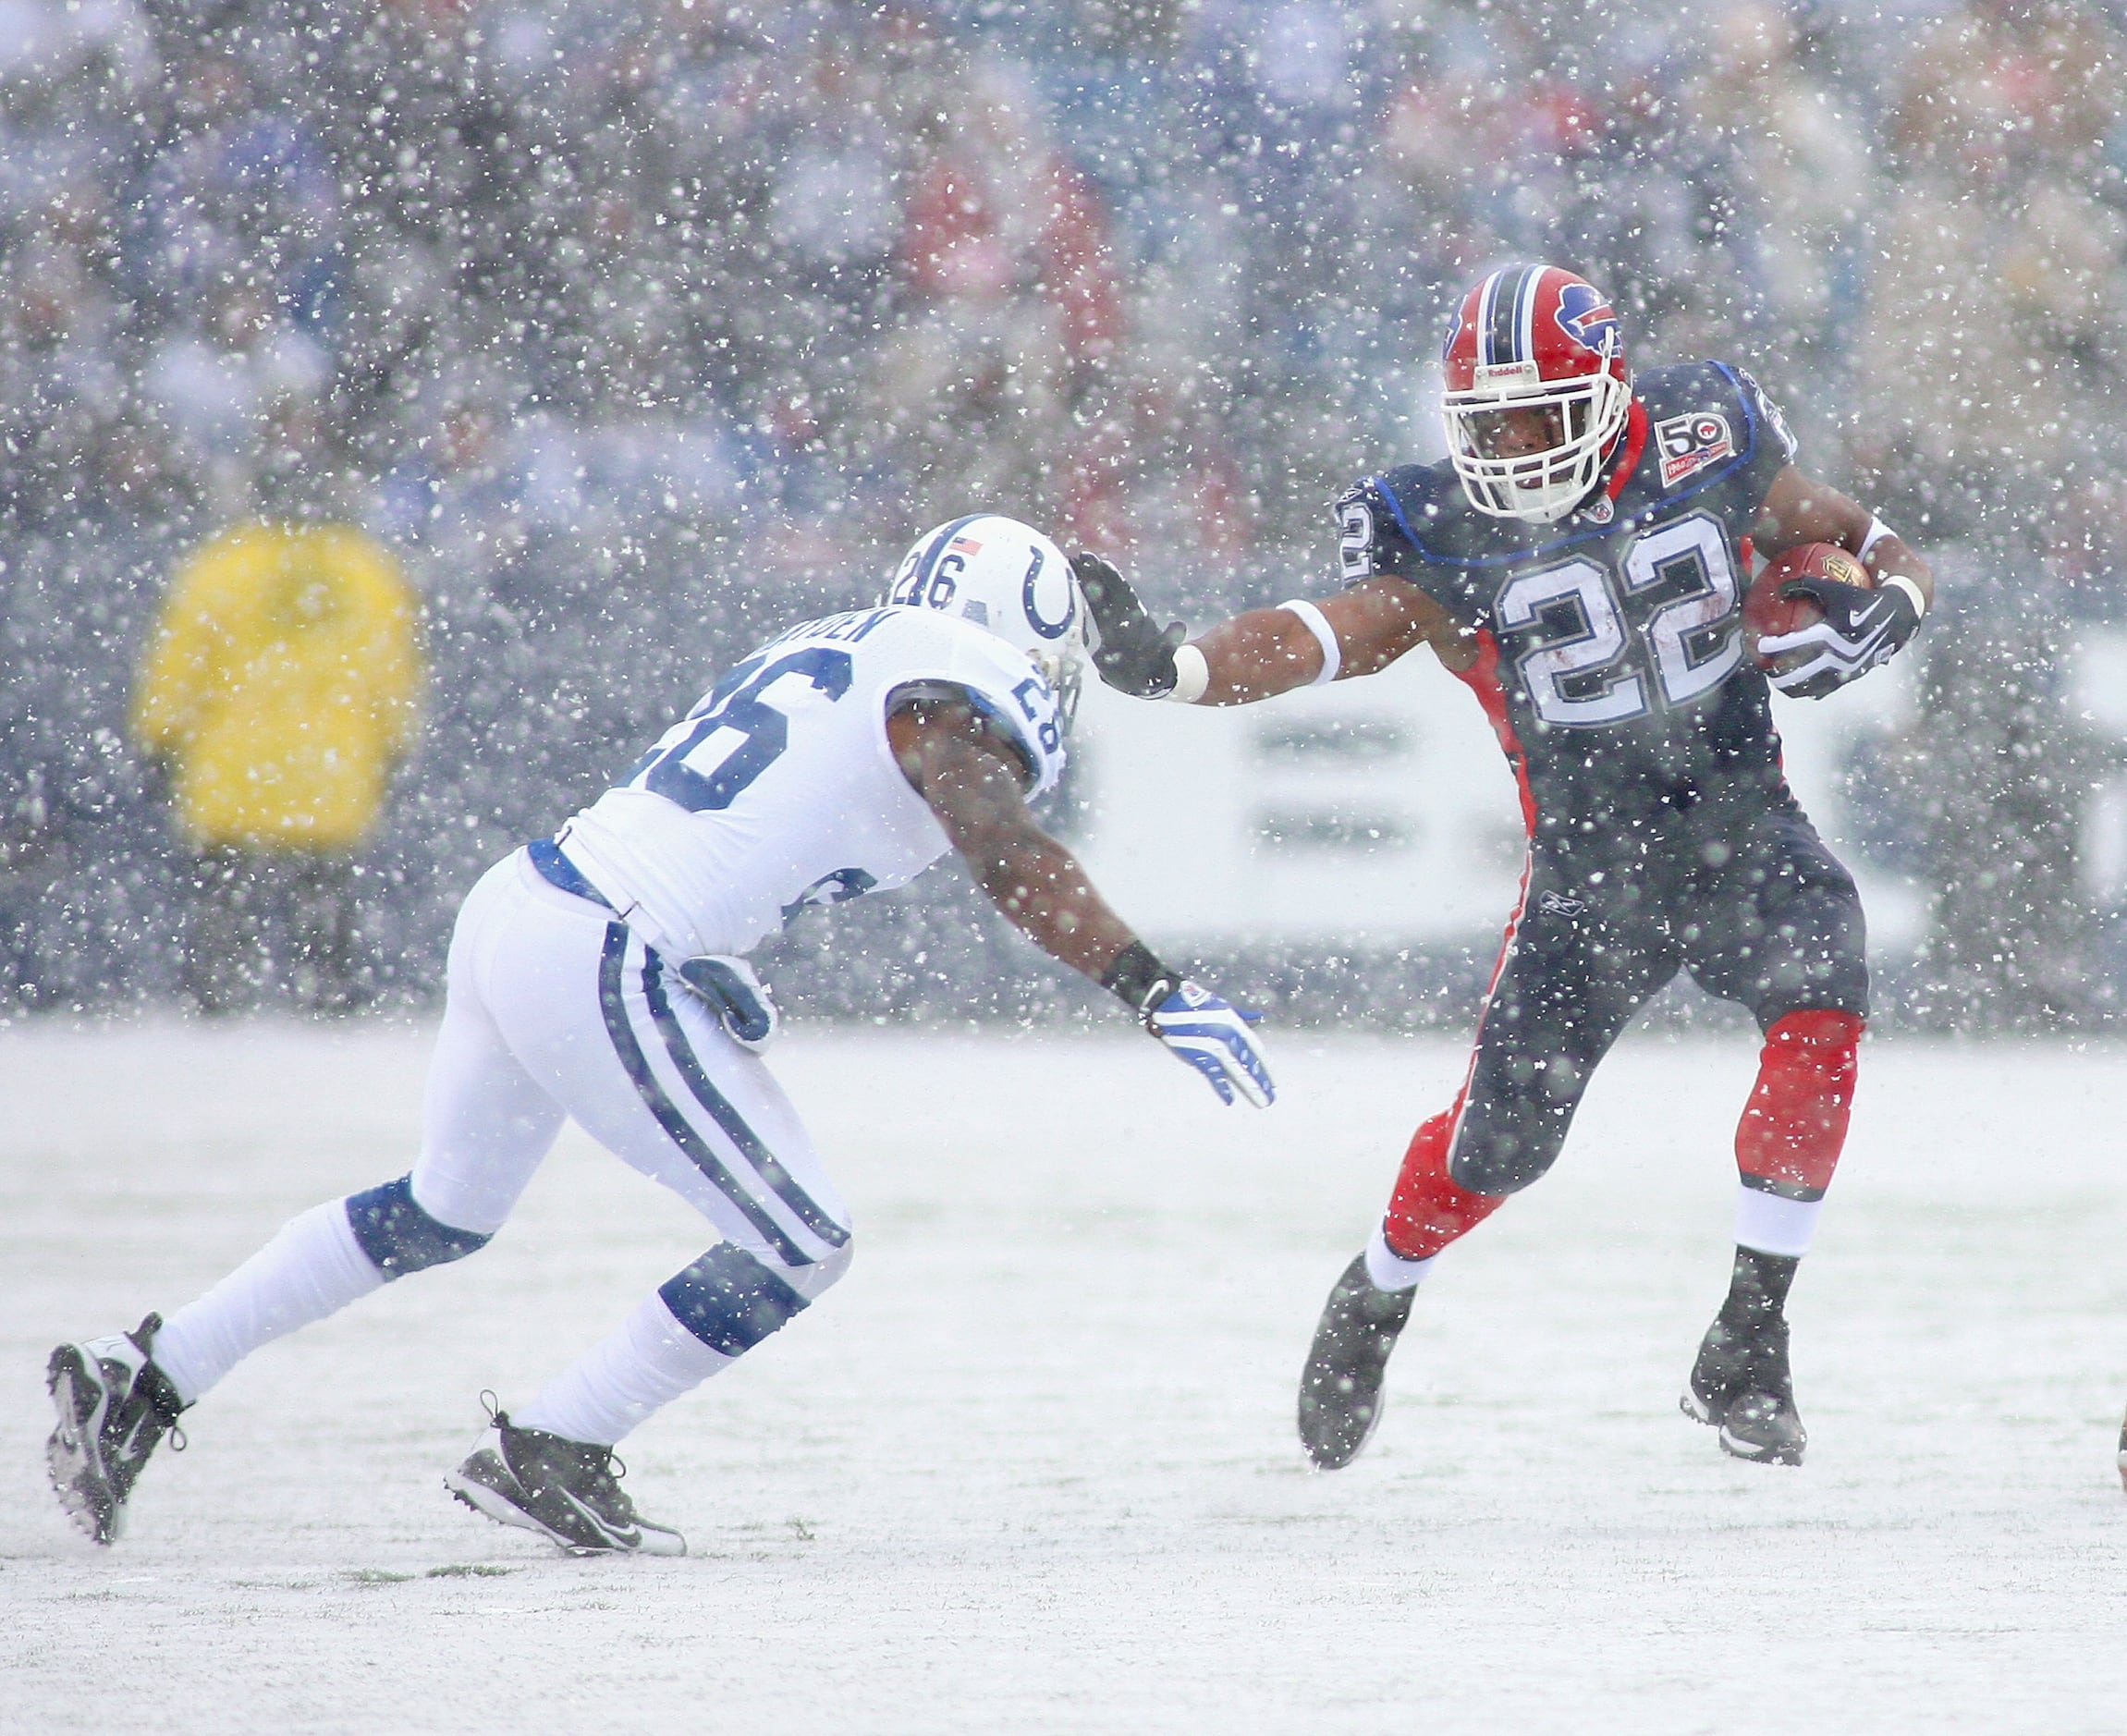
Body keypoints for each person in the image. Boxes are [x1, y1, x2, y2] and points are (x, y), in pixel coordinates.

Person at [47, 515, 1274, 1555]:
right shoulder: (956, 683)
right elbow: (1003, 849)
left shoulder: (829, 644)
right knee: (800, 1240)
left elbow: (732, 818)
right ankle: (557, 1444)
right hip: (601, 945)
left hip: (532, 901)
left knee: (443, 1207)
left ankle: (144, 1372)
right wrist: (1148, 983)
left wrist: (711, 952)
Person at [1078, 263, 1932, 1471]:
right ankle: (1377, 1285)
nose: (1515, 449)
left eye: (1538, 418)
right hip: (1593, 877)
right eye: (1490, 426)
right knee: (1499, 1151)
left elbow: (1868, 538)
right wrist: (1174, 668)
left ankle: (1748, 1336)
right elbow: (1327, 635)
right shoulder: (1445, 526)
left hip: (1743, 824)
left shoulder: (1703, 437)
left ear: (1609, 390)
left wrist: (1890, 598)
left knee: (1825, 1003)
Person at [131, 520, 422, 1013]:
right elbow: (391, 670)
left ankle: (216, 999)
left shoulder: (219, 567)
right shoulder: (366, 570)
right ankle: (328, 998)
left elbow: (182, 661)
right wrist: (395, 739)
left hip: (235, 758)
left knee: (225, 894)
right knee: (324, 892)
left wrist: (159, 734)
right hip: (331, 761)